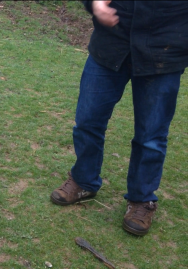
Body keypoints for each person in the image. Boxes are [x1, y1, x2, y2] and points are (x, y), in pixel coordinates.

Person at [50, 0, 188, 236]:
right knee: (87, 121)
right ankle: (84, 180)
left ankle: (142, 200)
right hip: (112, 42)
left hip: (164, 48)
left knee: (151, 136)